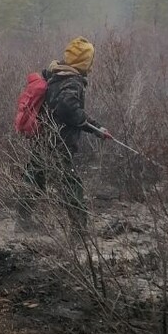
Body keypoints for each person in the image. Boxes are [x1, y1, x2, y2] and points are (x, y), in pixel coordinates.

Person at [19, 36, 110, 232]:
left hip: (42, 138)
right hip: (60, 142)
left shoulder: (54, 75)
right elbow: (67, 107)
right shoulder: (73, 81)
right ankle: (79, 231)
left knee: (34, 178)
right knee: (70, 185)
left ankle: (22, 221)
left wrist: (96, 128)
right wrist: (94, 127)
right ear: (85, 61)